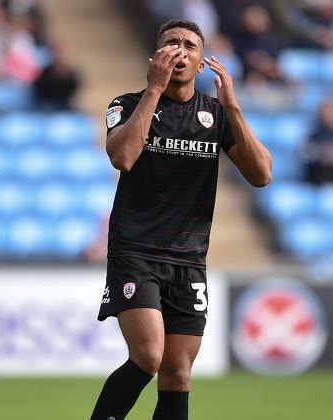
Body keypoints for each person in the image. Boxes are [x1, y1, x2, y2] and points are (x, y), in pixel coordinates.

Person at [91, 19, 272, 420]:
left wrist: (233, 107)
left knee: (177, 373)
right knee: (149, 356)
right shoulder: (125, 104)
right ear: (156, 57)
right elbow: (122, 156)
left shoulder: (216, 115)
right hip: (136, 251)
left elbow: (261, 175)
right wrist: (154, 90)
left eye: (190, 45)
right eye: (171, 43)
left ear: (201, 61)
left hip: (189, 260)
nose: (181, 50)